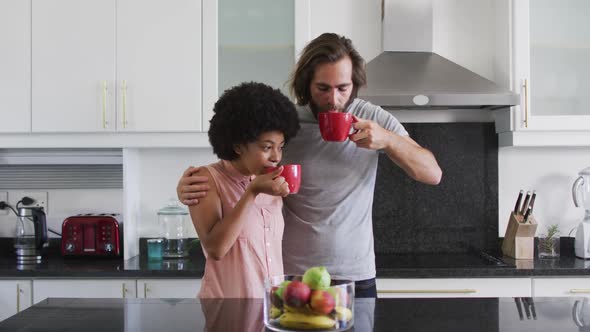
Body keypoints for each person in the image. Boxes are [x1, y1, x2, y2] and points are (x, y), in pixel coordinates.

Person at [177, 33, 442, 298]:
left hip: (356, 275)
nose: (334, 100)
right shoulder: (288, 123)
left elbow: (432, 173)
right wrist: (191, 184)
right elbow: (242, 159)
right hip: (294, 275)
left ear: (355, 84)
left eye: (343, 88)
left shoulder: (374, 118)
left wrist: (387, 139)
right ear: (307, 84)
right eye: (323, 88)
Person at [188, 82, 300, 298]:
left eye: (280, 146)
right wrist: (251, 193)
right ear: (238, 145)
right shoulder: (205, 179)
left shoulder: (270, 181)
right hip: (228, 311)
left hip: (272, 309)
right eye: (267, 147)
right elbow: (215, 249)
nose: (276, 157)